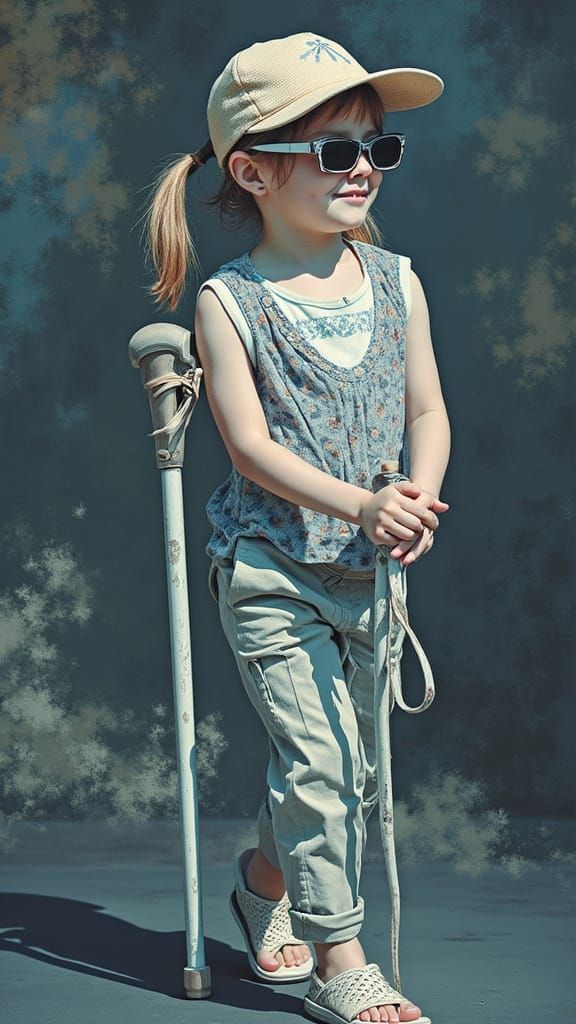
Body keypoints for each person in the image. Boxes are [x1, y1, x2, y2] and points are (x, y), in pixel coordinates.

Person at [142, 30, 451, 1024]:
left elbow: (427, 414)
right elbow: (245, 445)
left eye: (377, 147)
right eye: (334, 150)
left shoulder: (398, 282)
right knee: (320, 766)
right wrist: (360, 500)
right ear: (253, 170)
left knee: (341, 772)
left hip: (371, 572)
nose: (363, 166)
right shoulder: (231, 302)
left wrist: (415, 498)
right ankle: (340, 957)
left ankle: (263, 886)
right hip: (272, 568)